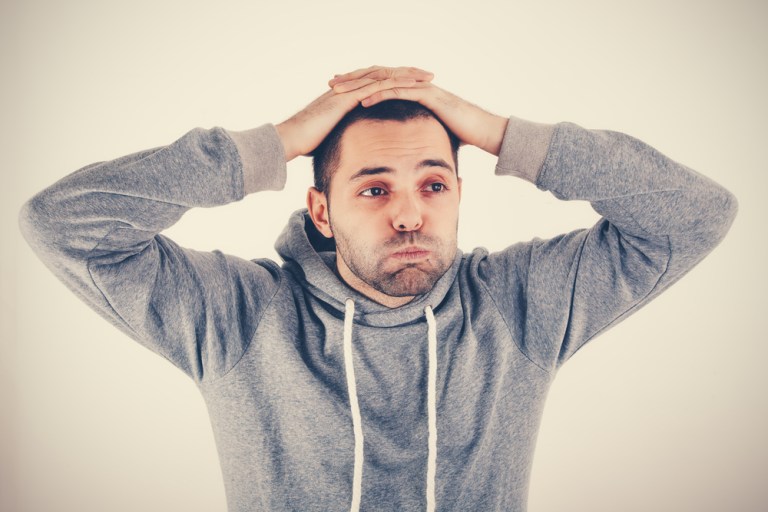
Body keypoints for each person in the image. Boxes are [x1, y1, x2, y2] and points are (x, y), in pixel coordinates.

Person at [19, 65, 737, 512]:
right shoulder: (238, 316)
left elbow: (696, 215)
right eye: (373, 188)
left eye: (434, 184)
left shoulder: (519, 306)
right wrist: (279, 141)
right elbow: (63, 223)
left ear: (459, 195)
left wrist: (498, 133)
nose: (409, 214)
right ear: (321, 211)